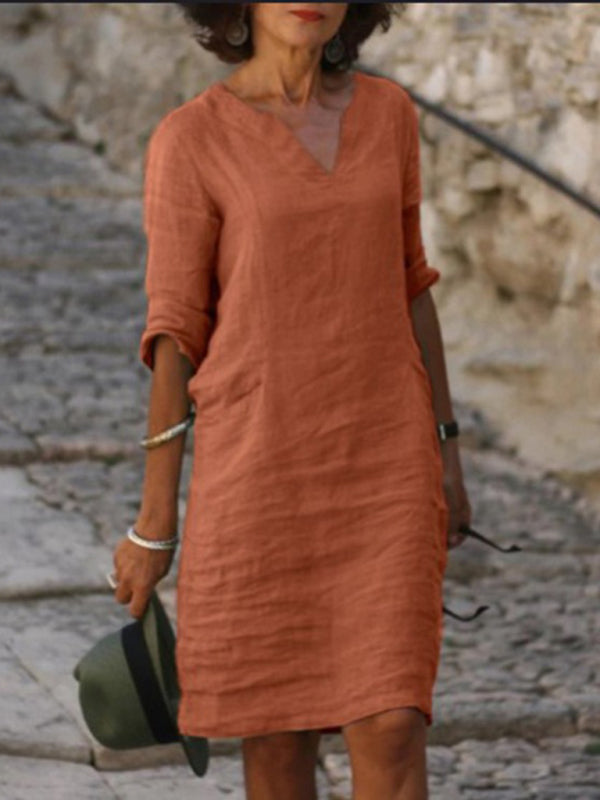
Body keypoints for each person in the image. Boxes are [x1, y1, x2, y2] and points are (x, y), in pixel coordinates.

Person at [111, 3, 471, 798]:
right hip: (258, 477)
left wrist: (446, 446)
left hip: (385, 465)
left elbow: (411, 284)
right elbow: (175, 332)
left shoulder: (389, 114)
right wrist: (154, 522)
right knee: (276, 744)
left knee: (394, 724)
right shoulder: (192, 138)